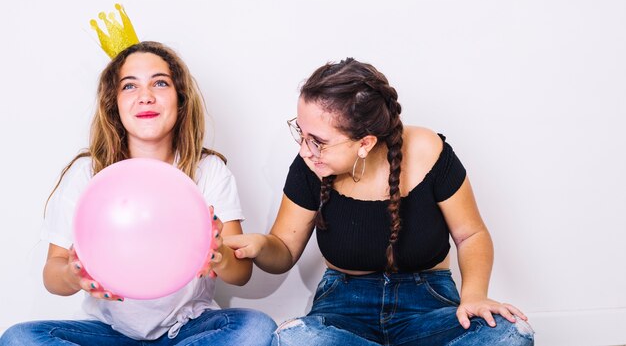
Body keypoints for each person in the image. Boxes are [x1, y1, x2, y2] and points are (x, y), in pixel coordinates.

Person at [225, 58, 535, 346]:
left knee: (511, 334)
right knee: (294, 339)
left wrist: (474, 296)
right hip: (344, 308)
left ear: (365, 143)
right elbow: (284, 249)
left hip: (428, 303)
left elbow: (471, 235)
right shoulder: (310, 166)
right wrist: (261, 246)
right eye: (301, 133)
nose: (306, 150)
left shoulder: (429, 152)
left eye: (318, 141)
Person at [0, 41, 276, 346]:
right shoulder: (88, 173)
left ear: (180, 99)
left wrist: (218, 254)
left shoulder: (209, 170)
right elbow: (52, 272)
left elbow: (240, 273)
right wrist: (73, 275)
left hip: (188, 328)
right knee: (19, 338)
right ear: (113, 103)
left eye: (160, 83)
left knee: (256, 327)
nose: (146, 97)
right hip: (110, 333)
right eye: (129, 86)